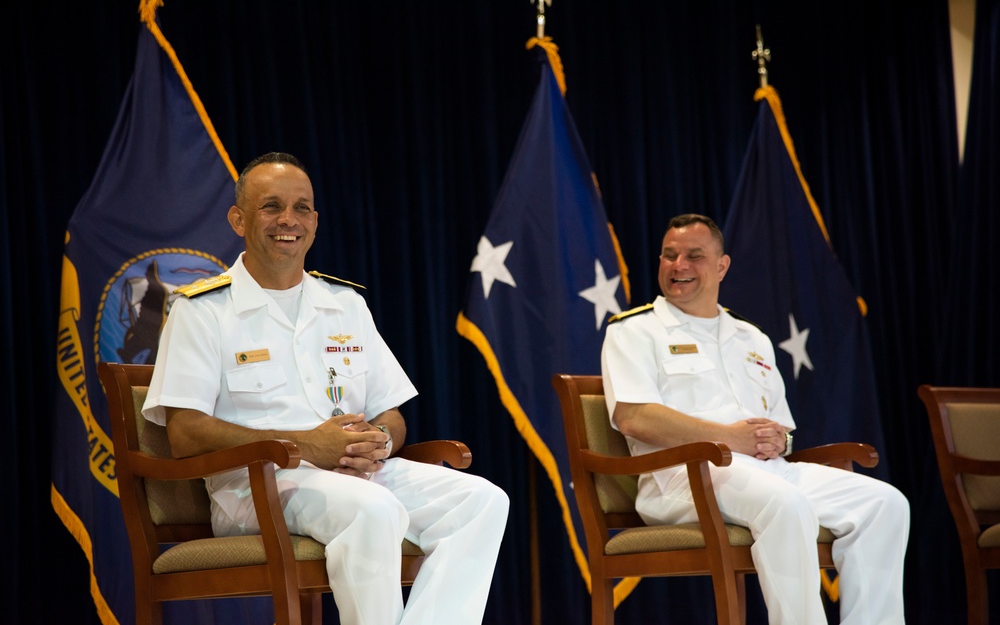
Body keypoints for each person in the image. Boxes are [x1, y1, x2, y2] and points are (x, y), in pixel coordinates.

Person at [143, 151, 510, 624]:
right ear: (238, 219)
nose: (288, 220)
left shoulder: (345, 304)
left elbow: (390, 413)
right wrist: (306, 445)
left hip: (357, 473)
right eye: (271, 206)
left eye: (301, 208)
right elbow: (185, 433)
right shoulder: (202, 311)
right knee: (374, 510)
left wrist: (379, 443)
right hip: (257, 485)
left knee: (481, 501)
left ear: (314, 221)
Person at [601, 213, 908, 624]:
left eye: (694, 256)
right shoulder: (634, 331)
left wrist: (780, 443)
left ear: (722, 265)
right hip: (681, 478)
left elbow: (781, 428)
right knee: (785, 503)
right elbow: (635, 417)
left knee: (884, 503)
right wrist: (728, 439)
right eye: (670, 256)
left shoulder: (751, 337)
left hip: (766, 470)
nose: (680, 267)